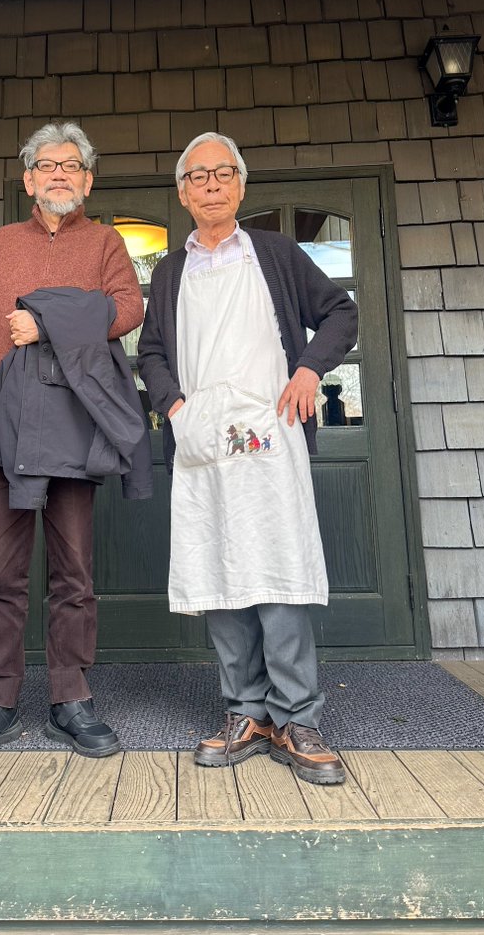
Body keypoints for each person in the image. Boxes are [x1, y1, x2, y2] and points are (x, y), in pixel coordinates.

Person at [137, 132, 358, 785]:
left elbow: (340, 313)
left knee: (277, 568)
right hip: (204, 437)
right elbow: (151, 351)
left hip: (271, 432)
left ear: (240, 185)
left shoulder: (277, 253)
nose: (211, 184)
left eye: (222, 173)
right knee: (219, 569)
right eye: (198, 175)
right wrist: (176, 408)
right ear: (182, 193)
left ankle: (296, 714)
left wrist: (310, 370)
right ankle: (246, 711)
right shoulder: (171, 271)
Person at [0, 121, 146, 762]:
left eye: (71, 165)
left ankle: (71, 697)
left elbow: (128, 309)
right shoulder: (1, 244)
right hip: (3, 414)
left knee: (74, 571)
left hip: (74, 418)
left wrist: (48, 320)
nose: (59, 173)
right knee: (4, 571)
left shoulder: (106, 242)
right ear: (29, 179)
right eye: (47, 164)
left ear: (87, 179)